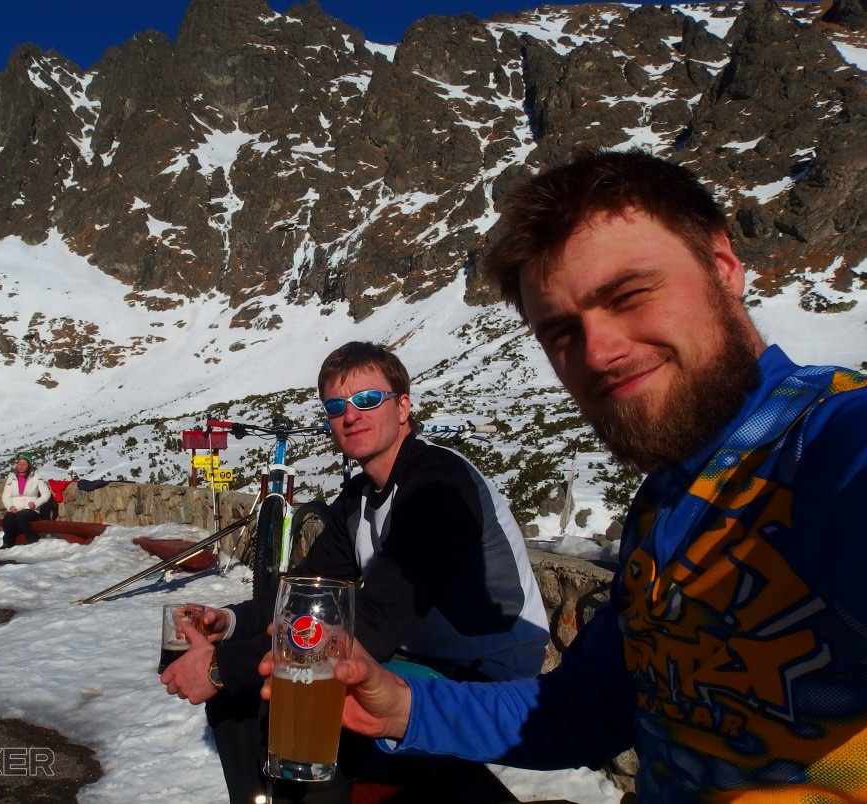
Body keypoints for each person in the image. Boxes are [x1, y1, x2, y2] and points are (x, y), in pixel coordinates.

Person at [288, 149, 867, 802]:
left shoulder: (821, 443)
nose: (598, 352)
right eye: (562, 332)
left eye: (628, 295)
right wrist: (400, 708)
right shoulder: (664, 504)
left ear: (723, 267)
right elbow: (587, 709)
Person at [161, 341, 550, 802]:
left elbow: (375, 620)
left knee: (319, 708)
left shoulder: (440, 485)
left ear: (402, 407)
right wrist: (227, 623)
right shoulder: (357, 499)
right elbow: (304, 594)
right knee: (249, 695)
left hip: (484, 671)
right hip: (414, 654)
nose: (350, 415)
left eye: (367, 399)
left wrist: (221, 668)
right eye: (336, 406)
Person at [0, 453, 52, 548]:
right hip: (15, 508)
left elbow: (46, 494)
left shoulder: (36, 477)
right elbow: (5, 496)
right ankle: (7, 542)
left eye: (24, 464)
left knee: (20, 516)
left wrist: (35, 503)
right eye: (19, 463)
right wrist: (10, 506)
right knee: (8, 518)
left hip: (31, 509)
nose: (21, 466)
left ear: (29, 465)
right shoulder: (11, 477)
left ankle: (32, 538)